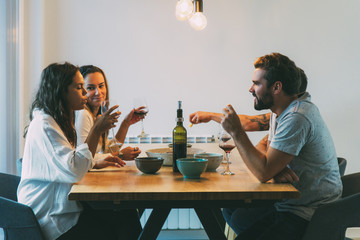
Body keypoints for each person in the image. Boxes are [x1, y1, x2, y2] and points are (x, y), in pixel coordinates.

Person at [221, 53, 342, 239]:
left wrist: (237, 131)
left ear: (277, 87)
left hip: (308, 214)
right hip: (290, 202)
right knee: (231, 209)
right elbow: (265, 150)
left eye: (256, 83)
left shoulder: (297, 117)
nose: (250, 89)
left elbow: (262, 173)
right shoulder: (282, 112)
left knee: (238, 217)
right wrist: (274, 168)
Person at [17, 62, 134, 240]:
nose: (86, 93)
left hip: (60, 207)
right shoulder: (46, 125)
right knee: (121, 222)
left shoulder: (54, 118)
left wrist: (95, 159)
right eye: (80, 88)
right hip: (50, 218)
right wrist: (96, 130)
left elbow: (70, 160)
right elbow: (74, 170)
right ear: (61, 90)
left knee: (125, 215)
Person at [75, 65, 143, 162]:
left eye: (101, 86)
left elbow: (107, 151)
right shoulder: (83, 114)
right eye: (90, 88)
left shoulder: (96, 114)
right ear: (82, 90)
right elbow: (85, 158)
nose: (98, 92)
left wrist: (126, 124)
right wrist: (121, 155)